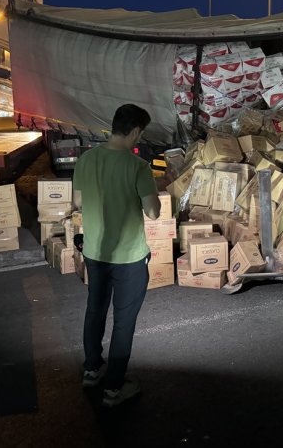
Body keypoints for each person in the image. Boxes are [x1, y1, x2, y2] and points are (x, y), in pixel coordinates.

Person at [73, 104, 161, 408]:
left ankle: (92, 370)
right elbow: (153, 212)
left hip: (95, 252)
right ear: (136, 131)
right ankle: (114, 388)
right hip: (129, 258)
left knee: (95, 311)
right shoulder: (138, 167)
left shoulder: (86, 160)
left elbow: (77, 200)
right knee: (124, 322)